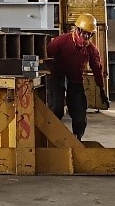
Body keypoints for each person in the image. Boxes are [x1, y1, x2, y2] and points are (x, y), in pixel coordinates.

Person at [45, 12, 109, 140]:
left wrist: (101, 90)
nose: (86, 37)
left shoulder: (91, 50)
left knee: (79, 111)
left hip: (75, 79)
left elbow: (97, 69)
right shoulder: (61, 41)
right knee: (56, 109)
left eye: (89, 34)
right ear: (77, 30)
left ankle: (77, 138)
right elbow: (46, 55)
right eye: (84, 33)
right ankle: (51, 137)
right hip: (57, 76)